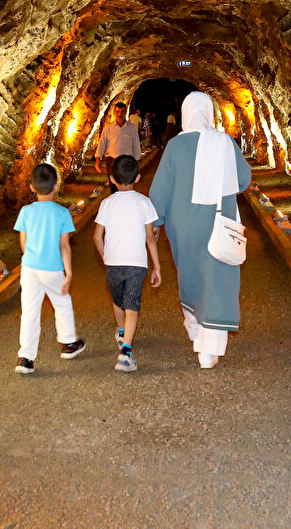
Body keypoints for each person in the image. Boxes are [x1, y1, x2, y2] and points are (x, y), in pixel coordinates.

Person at [149, 92, 251, 369]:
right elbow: (243, 180)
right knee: (217, 280)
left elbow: (160, 189)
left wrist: (156, 222)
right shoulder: (224, 142)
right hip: (218, 222)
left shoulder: (174, 146)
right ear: (209, 112)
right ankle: (209, 348)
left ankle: (194, 326)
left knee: (190, 274)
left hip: (183, 225)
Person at [13, 163, 85, 374]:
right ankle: (68, 343)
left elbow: (23, 242)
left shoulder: (26, 211)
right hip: (52, 268)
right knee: (62, 303)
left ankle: (25, 358)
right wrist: (68, 272)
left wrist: (31, 258)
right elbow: (64, 245)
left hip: (30, 268)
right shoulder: (62, 213)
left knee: (30, 312)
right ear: (56, 186)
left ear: (32, 187)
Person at [92, 154, 161, 372]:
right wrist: (157, 266)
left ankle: (122, 333)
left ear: (112, 179)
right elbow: (150, 237)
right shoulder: (145, 203)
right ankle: (125, 354)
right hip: (136, 263)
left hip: (113, 261)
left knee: (117, 300)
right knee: (132, 305)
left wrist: (105, 257)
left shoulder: (106, 203)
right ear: (138, 177)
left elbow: (96, 236)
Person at [95, 101, 141, 192]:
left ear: (125, 112)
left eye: (122, 111)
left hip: (127, 161)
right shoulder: (108, 128)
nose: (120, 114)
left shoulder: (132, 127)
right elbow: (102, 144)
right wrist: (97, 160)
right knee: (114, 187)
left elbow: (136, 144)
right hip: (112, 161)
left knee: (127, 186)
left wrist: (137, 161)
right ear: (114, 112)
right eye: (118, 111)